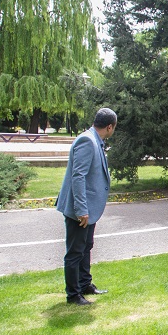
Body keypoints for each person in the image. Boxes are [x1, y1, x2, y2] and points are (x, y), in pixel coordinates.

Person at [56, 108, 117, 305]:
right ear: (110, 127)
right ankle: (73, 294)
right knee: (75, 252)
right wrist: (81, 209)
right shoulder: (87, 141)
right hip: (79, 210)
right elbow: (78, 176)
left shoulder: (94, 140)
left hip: (89, 209)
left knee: (86, 247)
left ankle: (84, 284)